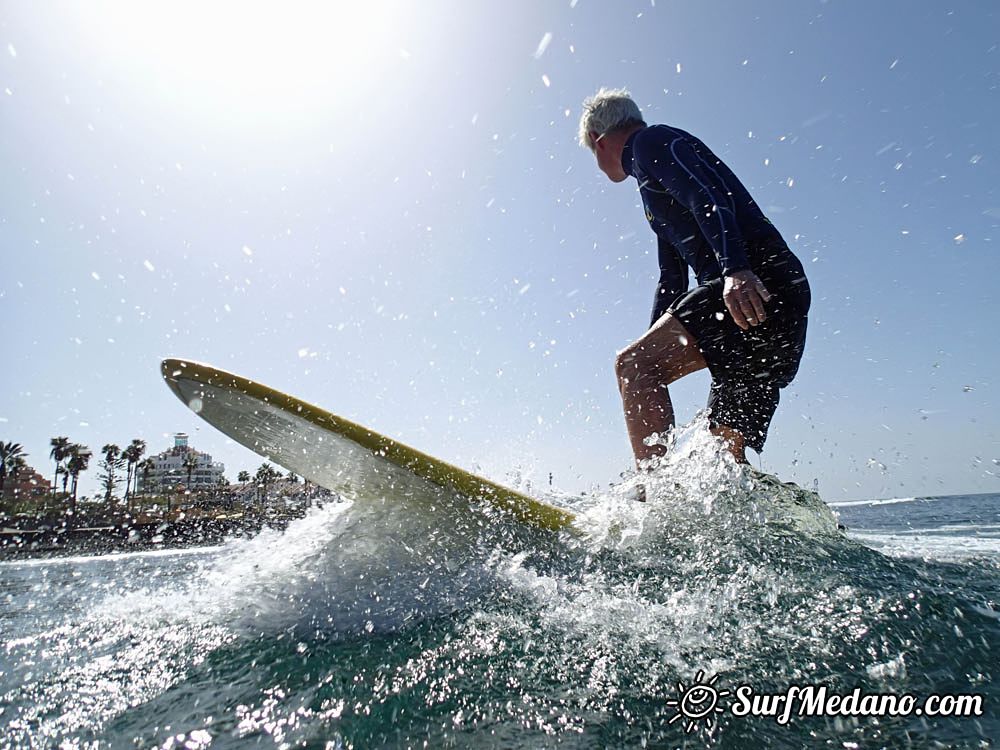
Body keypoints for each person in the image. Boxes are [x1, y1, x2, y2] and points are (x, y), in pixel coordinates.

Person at [579, 88, 810, 467]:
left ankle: (654, 498)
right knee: (723, 466)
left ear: (597, 140)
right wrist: (653, 334)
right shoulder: (653, 179)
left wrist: (736, 269)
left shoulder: (651, 142)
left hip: (753, 285)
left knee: (634, 368)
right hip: (776, 301)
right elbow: (671, 278)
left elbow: (709, 197)